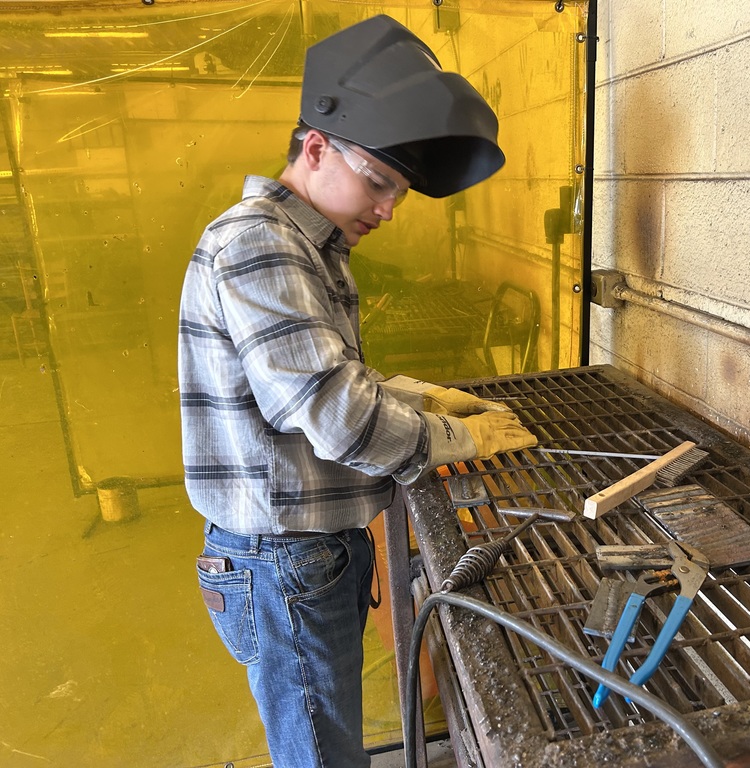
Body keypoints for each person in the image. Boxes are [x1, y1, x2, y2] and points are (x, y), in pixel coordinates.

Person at [177, 15, 537, 768]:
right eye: (378, 183)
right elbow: (336, 419)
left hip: (305, 553)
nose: (387, 209)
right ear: (315, 147)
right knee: (320, 756)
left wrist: (420, 396)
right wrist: (461, 440)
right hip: (282, 561)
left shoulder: (306, 246)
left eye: (397, 192)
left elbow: (326, 378)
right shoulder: (258, 242)